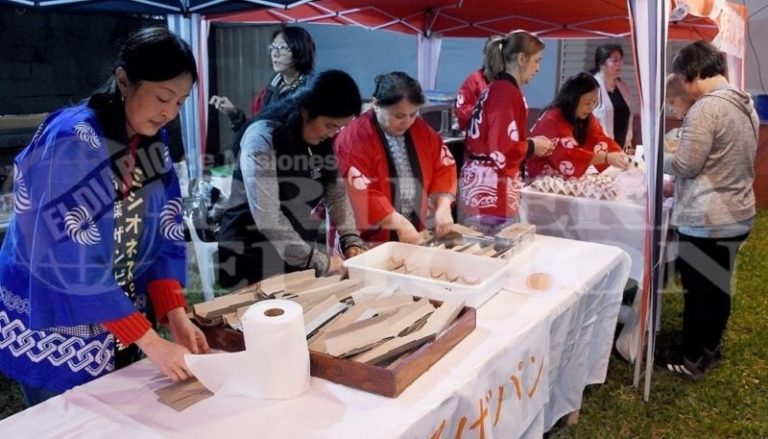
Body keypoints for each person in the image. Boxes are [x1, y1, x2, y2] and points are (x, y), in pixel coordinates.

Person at [0, 27, 209, 407]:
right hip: (59, 323)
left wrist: (174, 313)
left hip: (118, 316)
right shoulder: (73, 139)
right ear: (124, 80)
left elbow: (166, 227)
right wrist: (149, 340)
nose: (169, 112)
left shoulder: (151, 142)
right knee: (67, 421)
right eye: (163, 97)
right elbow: (64, 253)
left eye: (179, 103)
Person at [662, 40, 759, 379]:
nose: (685, 87)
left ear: (698, 73)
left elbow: (687, 164)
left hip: (708, 217)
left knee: (699, 292)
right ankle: (710, 348)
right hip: (739, 211)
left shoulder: (707, 108)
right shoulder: (744, 101)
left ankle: (689, 357)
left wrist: (656, 161)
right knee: (718, 286)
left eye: (685, 79)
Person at [217, 70, 365, 290]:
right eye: (331, 125)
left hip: (294, 250)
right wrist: (320, 261)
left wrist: (351, 240)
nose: (335, 133)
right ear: (307, 110)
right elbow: (269, 219)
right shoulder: (263, 137)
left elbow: (335, 193)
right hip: (250, 251)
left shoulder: (319, 141)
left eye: (339, 127)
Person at [335, 71, 457, 246]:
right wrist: (398, 223)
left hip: (412, 227)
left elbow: (444, 166)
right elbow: (358, 190)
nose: (406, 122)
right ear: (376, 105)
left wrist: (443, 206)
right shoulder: (354, 137)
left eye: (413, 114)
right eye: (398, 116)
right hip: (366, 236)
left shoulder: (420, 129)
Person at [459, 30, 554, 227]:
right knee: (492, 248)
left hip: (485, 178)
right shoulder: (505, 92)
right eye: (537, 61)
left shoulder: (498, 88)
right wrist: (531, 146)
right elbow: (502, 148)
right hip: (491, 184)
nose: (538, 68)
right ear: (521, 59)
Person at [209, 26, 316, 134]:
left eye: (283, 48)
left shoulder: (308, 90)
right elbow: (255, 131)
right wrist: (233, 114)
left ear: (300, 51)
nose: (275, 54)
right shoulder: (270, 90)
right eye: (273, 47)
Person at [526, 72, 630, 180]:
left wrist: (619, 154)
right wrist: (607, 158)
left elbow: (598, 138)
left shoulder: (585, 116)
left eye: (595, 102)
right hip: (541, 178)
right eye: (587, 103)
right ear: (573, 99)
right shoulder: (552, 119)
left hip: (564, 179)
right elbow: (568, 154)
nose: (591, 108)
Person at [455, 36, 504, 132]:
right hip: (478, 136)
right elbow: (461, 111)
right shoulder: (474, 81)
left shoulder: (509, 83)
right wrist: (485, 110)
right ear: (485, 54)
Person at [591, 43, 634, 152]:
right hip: (599, 150)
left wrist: (628, 142)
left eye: (620, 60)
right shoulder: (592, 87)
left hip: (620, 149)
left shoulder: (622, 86)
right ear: (601, 64)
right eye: (615, 60)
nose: (619, 64)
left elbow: (629, 117)